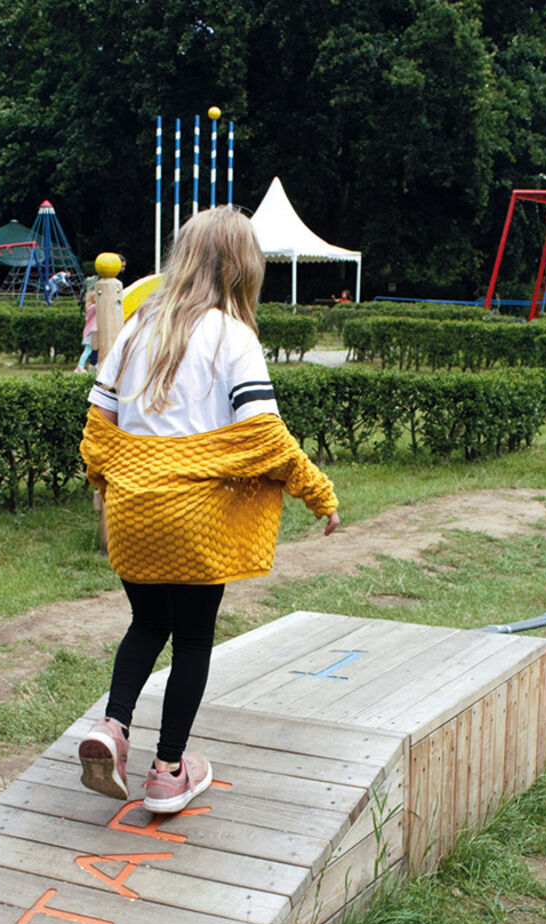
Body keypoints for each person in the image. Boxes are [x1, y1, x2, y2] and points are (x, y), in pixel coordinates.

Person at [79, 207, 339, 813]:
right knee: (193, 637)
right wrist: (318, 491)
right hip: (197, 514)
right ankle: (168, 771)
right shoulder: (233, 336)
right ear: (243, 267)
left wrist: (108, 477)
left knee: (147, 622)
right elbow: (265, 436)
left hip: (133, 509)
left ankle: (113, 729)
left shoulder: (140, 327)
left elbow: (99, 424)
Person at [76, 284, 98, 372]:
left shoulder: (90, 307)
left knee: (93, 349)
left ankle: (92, 364)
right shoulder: (92, 307)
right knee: (88, 349)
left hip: (93, 331)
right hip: (91, 331)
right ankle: (80, 366)